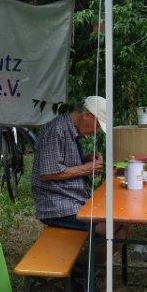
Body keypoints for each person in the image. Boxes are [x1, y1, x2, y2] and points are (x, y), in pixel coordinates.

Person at [31, 96, 110, 238]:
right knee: (109, 227)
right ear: (87, 115)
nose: (96, 131)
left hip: (72, 201)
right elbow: (48, 173)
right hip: (57, 207)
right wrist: (87, 168)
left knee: (119, 227)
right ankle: (84, 260)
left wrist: (85, 160)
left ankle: (86, 260)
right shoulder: (57, 130)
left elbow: (60, 163)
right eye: (97, 125)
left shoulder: (70, 128)